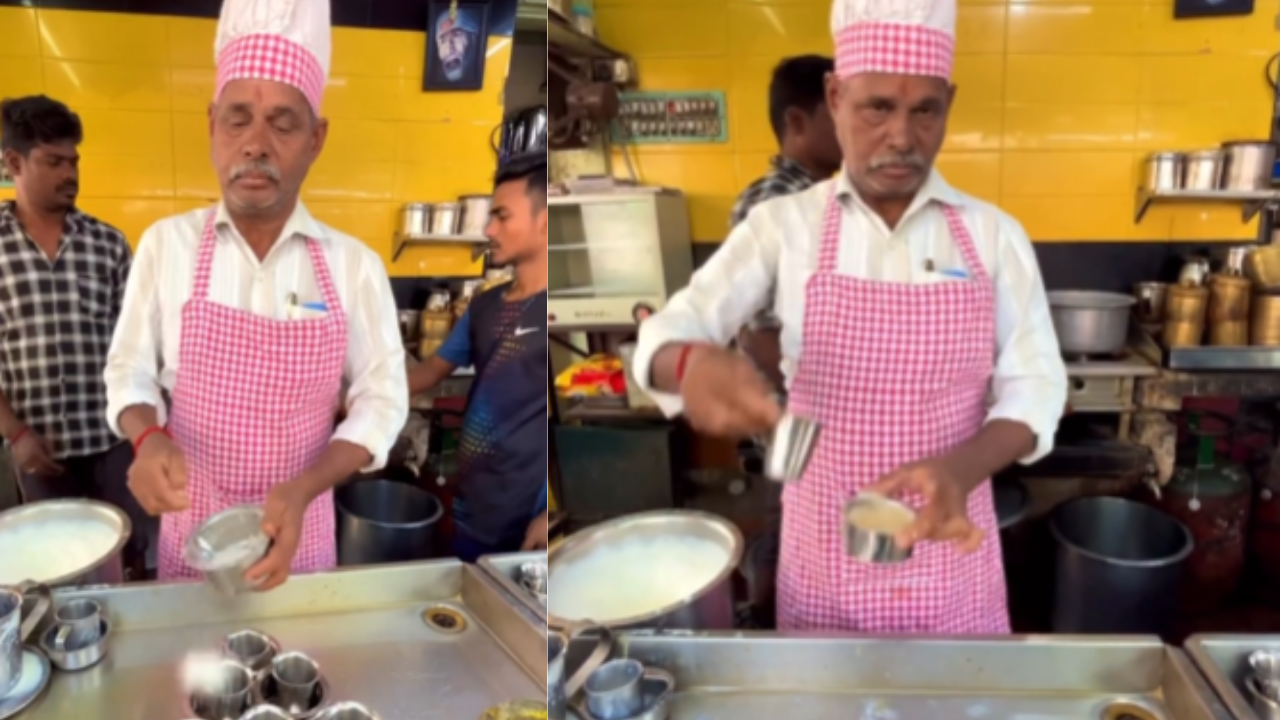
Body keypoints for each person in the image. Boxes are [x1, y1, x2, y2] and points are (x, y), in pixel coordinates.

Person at [632, 0, 1068, 633]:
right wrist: (691, 365)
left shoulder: (993, 237)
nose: (901, 136)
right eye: (878, 108)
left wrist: (961, 469)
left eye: (926, 110)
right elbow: (668, 333)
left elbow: (1036, 387)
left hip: (948, 546)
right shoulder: (783, 226)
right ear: (835, 97)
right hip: (824, 553)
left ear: (950, 100)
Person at [103, 0, 408, 590]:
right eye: (237, 120)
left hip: (301, 534)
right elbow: (128, 372)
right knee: (192, 679)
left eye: (283, 123)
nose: (255, 144)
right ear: (212, 124)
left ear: (316, 138)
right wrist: (148, 436)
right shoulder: (166, 246)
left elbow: (382, 402)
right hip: (195, 537)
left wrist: (301, 489)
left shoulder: (355, 268)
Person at [0, 95, 156, 577]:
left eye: (74, 161)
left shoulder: (108, 245)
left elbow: (139, 349)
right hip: (37, 449)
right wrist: (16, 432)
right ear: (12, 163)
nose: (70, 172)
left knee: (127, 559)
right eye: (54, 161)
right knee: (52, 570)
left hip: (112, 444)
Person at [408, 155, 548, 562]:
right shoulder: (484, 305)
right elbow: (433, 371)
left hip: (528, 513)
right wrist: (358, 395)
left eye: (502, 217)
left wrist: (549, 516)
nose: (489, 230)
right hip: (474, 499)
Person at [733, 55, 843, 394]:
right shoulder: (776, 201)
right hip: (804, 418)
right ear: (797, 122)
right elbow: (763, 335)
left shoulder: (824, 198)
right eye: (838, 113)